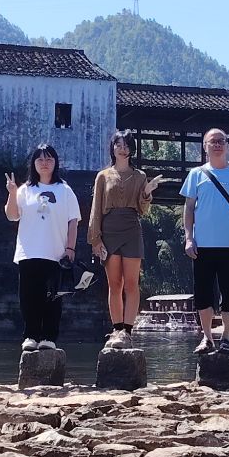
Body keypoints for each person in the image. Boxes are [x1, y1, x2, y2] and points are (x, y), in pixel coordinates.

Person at [180, 128, 229, 354]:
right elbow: (188, 208)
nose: (217, 144)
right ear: (205, 146)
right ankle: (207, 337)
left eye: (221, 141)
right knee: (203, 294)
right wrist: (188, 238)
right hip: (202, 245)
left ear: (227, 145)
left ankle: (226, 337)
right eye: (212, 141)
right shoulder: (196, 174)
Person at [90, 130, 163, 348]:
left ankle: (128, 332)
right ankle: (116, 329)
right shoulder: (103, 176)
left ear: (132, 149)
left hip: (131, 227)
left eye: (126, 145)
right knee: (114, 284)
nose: (122, 149)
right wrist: (95, 238)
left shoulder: (139, 176)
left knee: (131, 283)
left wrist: (147, 192)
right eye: (119, 145)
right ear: (112, 148)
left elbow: (143, 209)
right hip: (109, 229)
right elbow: (95, 209)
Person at [6, 143, 82, 353]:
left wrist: (70, 248)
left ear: (55, 162)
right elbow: (12, 215)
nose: (44, 163)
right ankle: (30, 335)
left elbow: (73, 221)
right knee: (29, 296)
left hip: (55, 252)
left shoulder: (64, 190)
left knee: (53, 297)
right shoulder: (25, 189)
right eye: (40, 159)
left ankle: (49, 337)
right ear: (34, 163)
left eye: (49, 159)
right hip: (29, 251)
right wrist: (12, 193)